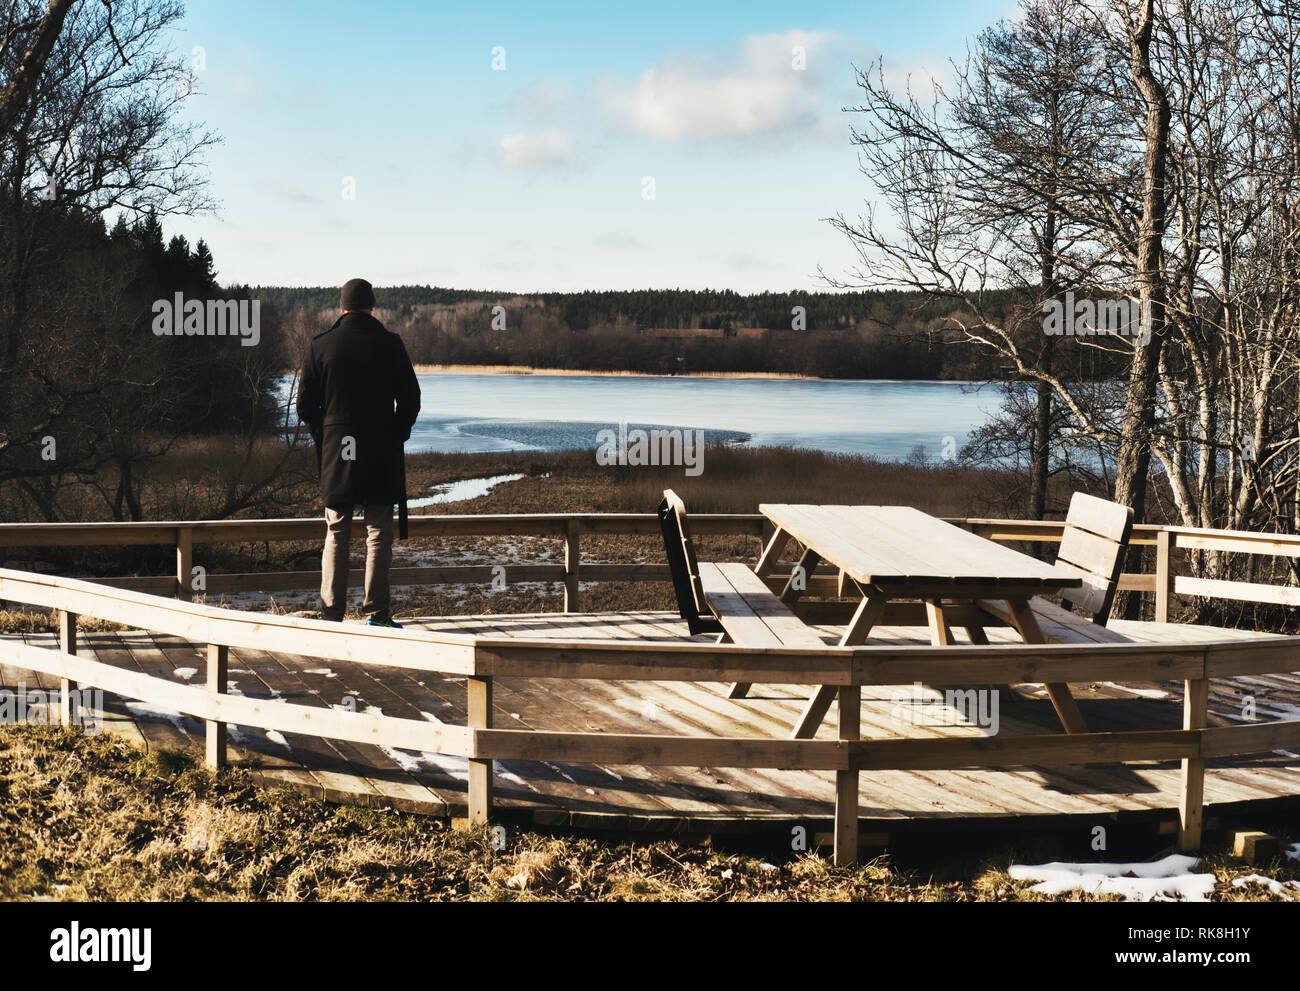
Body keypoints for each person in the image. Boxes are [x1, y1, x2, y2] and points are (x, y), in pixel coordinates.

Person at [296, 278, 421, 626]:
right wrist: (396, 435)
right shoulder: (390, 344)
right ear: (371, 307)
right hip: (381, 449)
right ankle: (377, 614)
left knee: (336, 530)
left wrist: (326, 436)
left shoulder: (321, 346)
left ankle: (331, 614)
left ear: (341, 308)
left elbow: (304, 405)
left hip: (338, 451)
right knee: (378, 532)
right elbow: (411, 399)